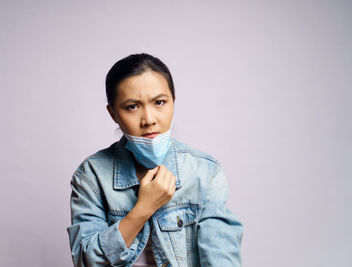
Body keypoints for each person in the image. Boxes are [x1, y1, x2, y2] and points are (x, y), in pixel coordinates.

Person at [67, 53, 243, 267]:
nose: (149, 120)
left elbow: (222, 260)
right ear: (113, 113)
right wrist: (144, 208)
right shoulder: (91, 176)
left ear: (173, 102)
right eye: (132, 106)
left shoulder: (205, 173)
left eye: (159, 102)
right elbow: (87, 263)